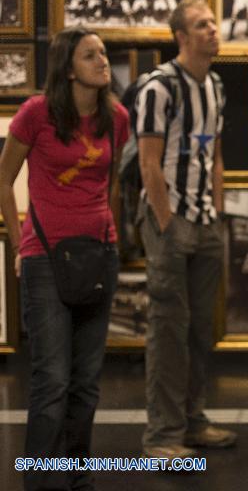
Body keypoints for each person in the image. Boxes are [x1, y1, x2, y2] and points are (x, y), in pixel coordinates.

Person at [0, 26, 129, 491]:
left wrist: (110, 236)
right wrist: (19, 244)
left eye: (103, 53)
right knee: (52, 379)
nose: (102, 61)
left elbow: (109, 184)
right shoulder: (36, 114)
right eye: (90, 54)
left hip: (99, 254)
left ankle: (75, 478)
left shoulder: (116, 118)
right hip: (45, 258)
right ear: (68, 69)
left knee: (86, 381)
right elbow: (4, 178)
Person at [134, 0, 235, 459]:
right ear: (181, 37)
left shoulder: (214, 85)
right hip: (169, 220)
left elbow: (213, 155)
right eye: (201, 25)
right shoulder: (159, 86)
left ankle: (193, 421)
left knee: (199, 330)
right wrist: (166, 221)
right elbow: (149, 163)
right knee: (168, 329)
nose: (213, 30)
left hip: (205, 222)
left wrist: (216, 211)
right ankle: (162, 436)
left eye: (214, 22)